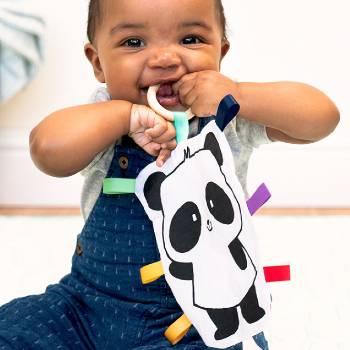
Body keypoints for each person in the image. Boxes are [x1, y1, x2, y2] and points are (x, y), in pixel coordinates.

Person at [0, 0, 339, 349]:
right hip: (87, 306)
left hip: (197, 318)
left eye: (190, 39)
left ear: (220, 51)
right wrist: (123, 118)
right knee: (12, 329)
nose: (165, 58)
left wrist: (240, 93)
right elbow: (47, 150)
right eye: (134, 42)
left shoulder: (229, 114)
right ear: (98, 62)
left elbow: (322, 117)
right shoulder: (102, 121)